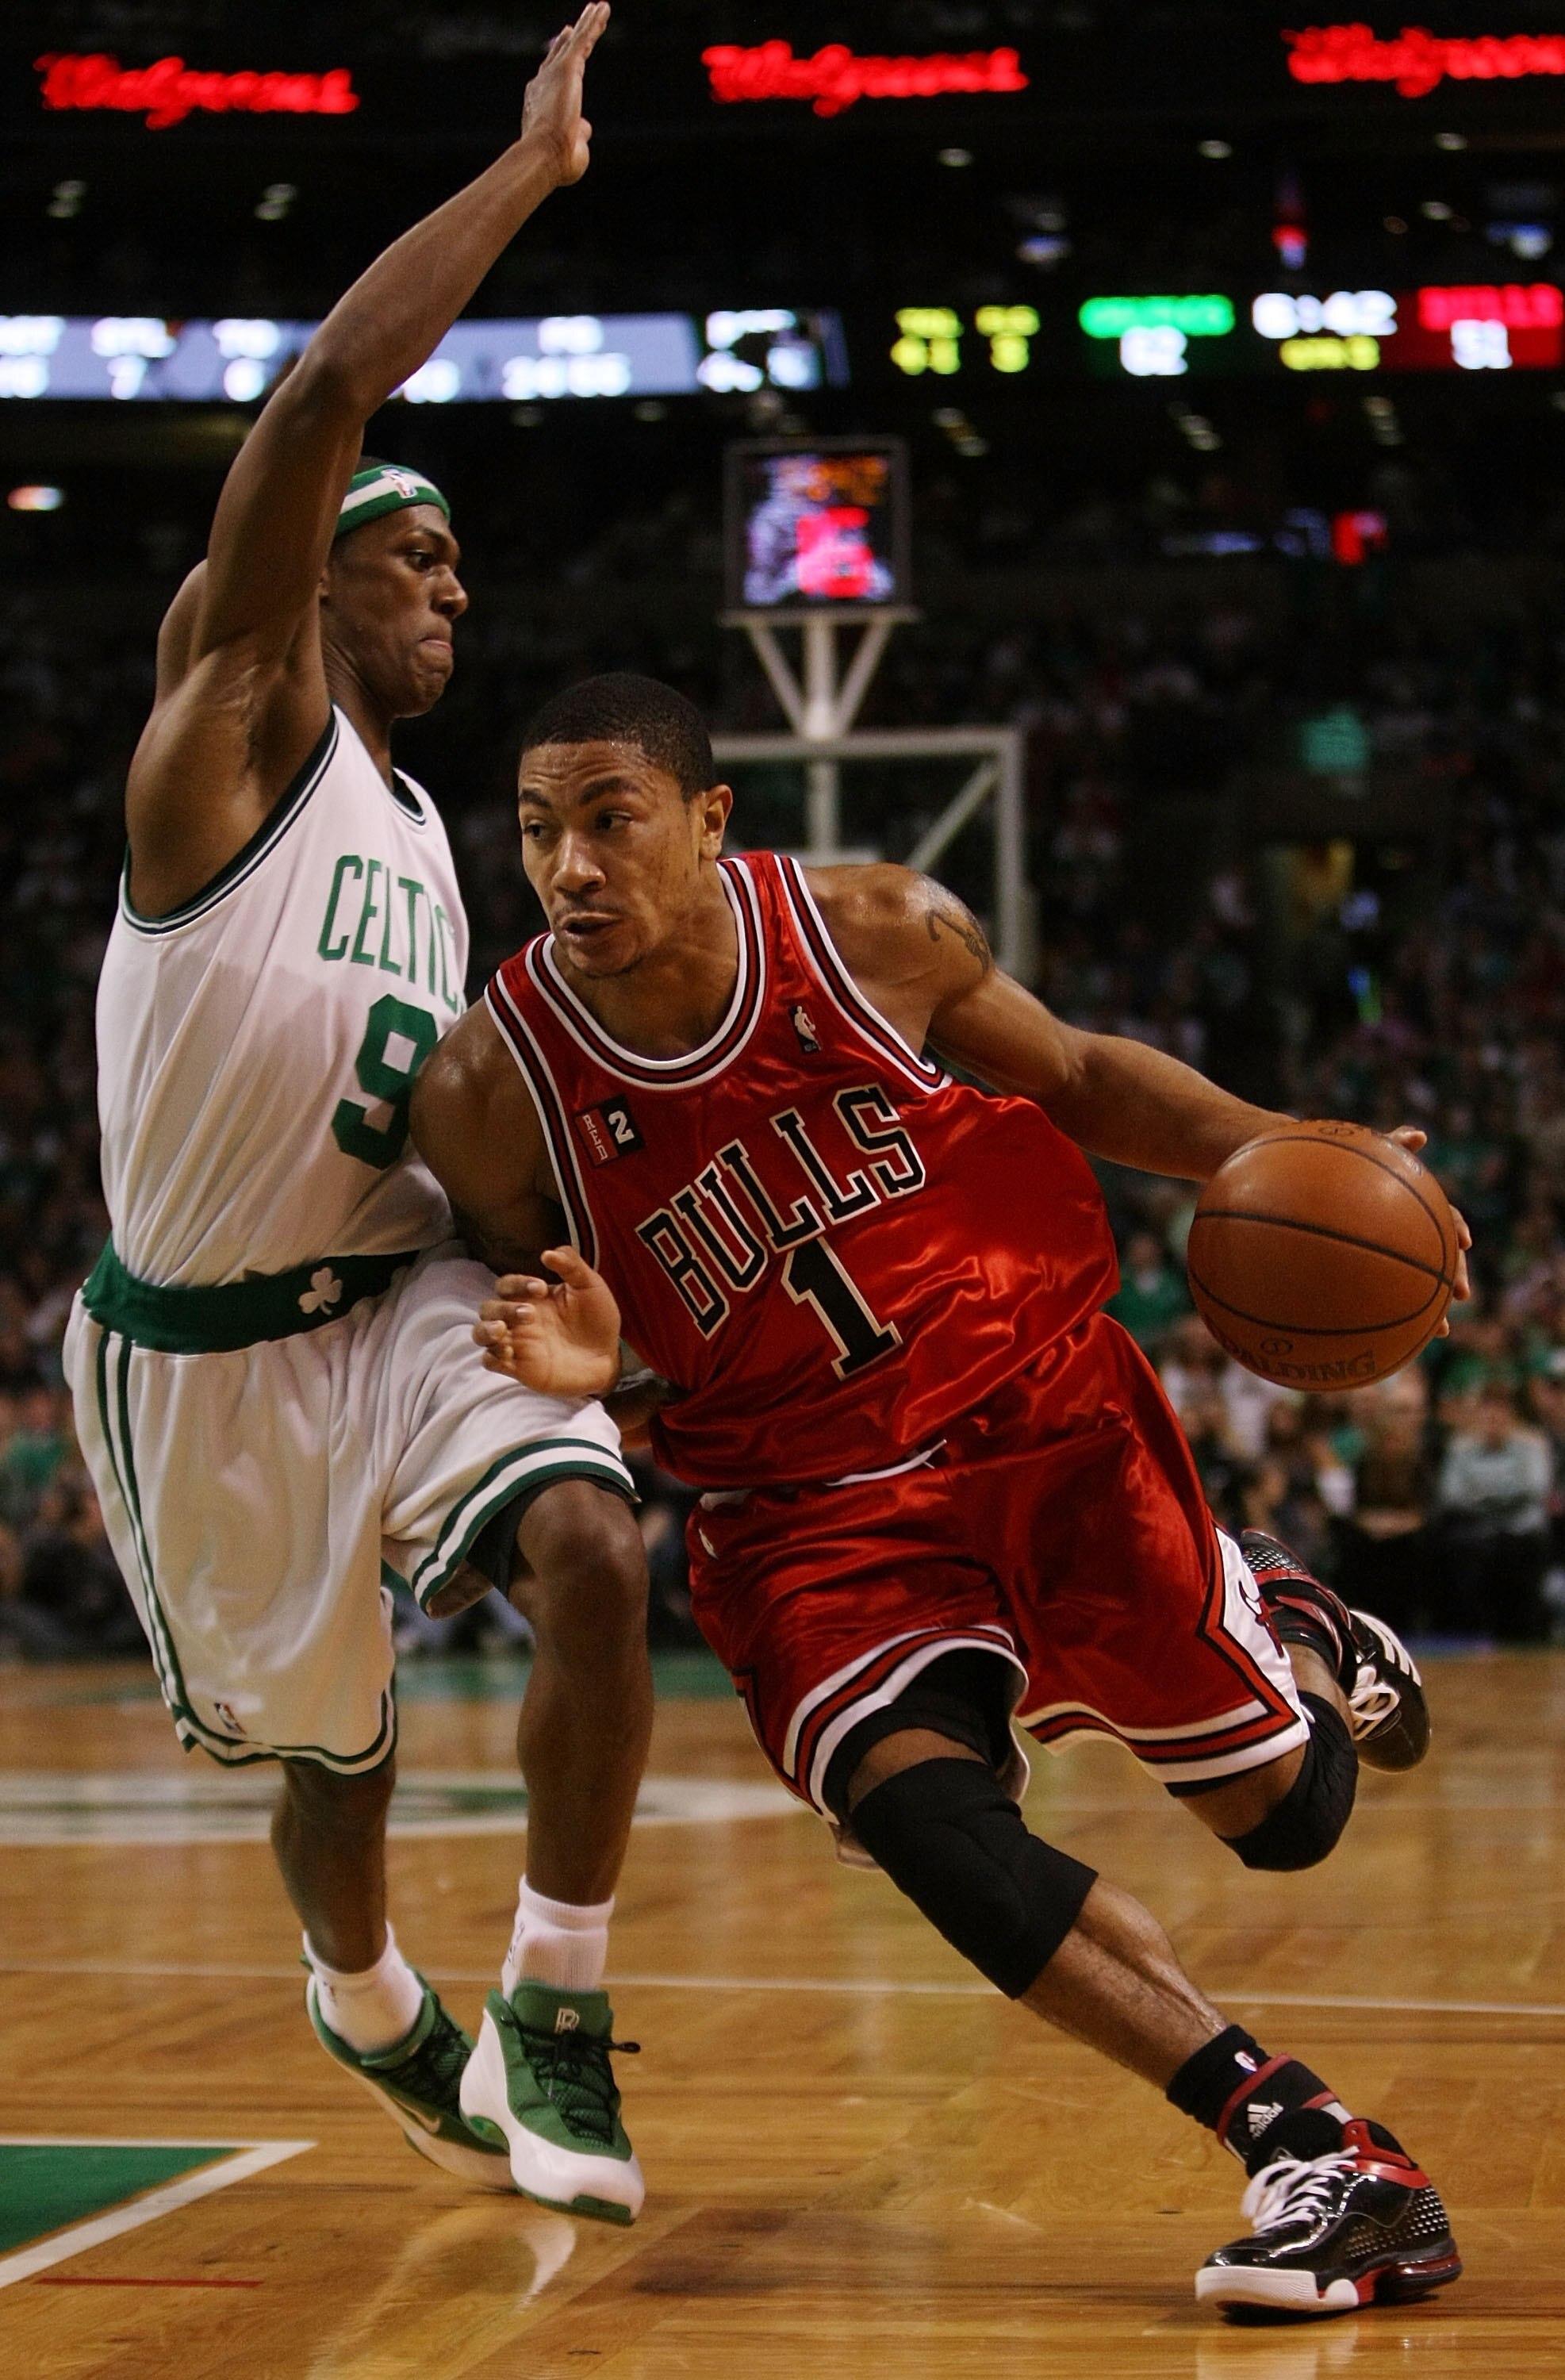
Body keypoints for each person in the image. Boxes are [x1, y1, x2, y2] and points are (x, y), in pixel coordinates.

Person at [412, 672, 1468, 2317]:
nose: (570, 868)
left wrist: (1315, 1150)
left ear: (709, 823)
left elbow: (1089, 1082)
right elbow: (563, 1344)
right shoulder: (492, 1088)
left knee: (1296, 1821)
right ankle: (1313, 2148)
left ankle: (1306, 1624)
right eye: (539, 830)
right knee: (926, 1821)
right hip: (803, 1508)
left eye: (610, 819)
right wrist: (588, 1381)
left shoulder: (876, 929)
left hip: (1037, 1410)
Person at [62, 11, 651, 2226]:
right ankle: (359, 1988)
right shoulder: (226, 744)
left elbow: (460, 1131)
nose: (458, 596)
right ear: (306, 580)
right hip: (202, 1362)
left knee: (595, 1554)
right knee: (335, 1751)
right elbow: (321, 402)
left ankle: (559, 2002)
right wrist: (529, 172)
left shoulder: (424, 838)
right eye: (425, 564)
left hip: (387, 1298)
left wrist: (549, 1257)